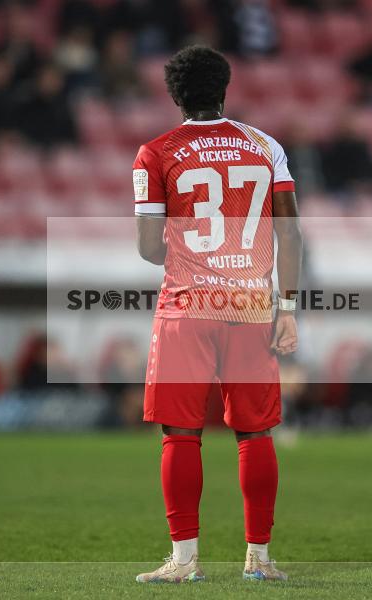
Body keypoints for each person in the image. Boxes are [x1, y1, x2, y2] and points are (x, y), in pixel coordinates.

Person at [132, 46, 301, 583]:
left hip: (187, 305)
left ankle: (184, 563)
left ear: (175, 96)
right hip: (251, 306)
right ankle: (260, 559)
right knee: (255, 434)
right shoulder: (266, 146)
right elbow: (290, 231)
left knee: (180, 433)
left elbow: (149, 249)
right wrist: (289, 306)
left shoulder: (155, 153)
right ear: (224, 89)